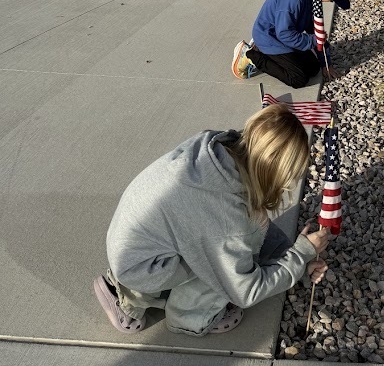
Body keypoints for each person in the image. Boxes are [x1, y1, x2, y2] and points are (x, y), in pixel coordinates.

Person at [94, 103, 329, 337]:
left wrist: (296, 257)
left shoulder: (214, 150)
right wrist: (298, 256)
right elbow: (244, 292)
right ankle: (189, 317)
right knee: (222, 264)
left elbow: (253, 225)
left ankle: (124, 289)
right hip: (142, 267)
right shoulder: (225, 216)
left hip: (131, 246)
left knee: (233, 239)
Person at [232, 0, 351, 88]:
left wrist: (326, 64)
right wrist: (314, 40)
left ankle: (269, 55)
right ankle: (252, 55)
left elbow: (315, 30)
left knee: (314, 68)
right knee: (298, 79)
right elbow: (285, 34)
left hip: (284, 36)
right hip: (269, 38)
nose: (331, 2)